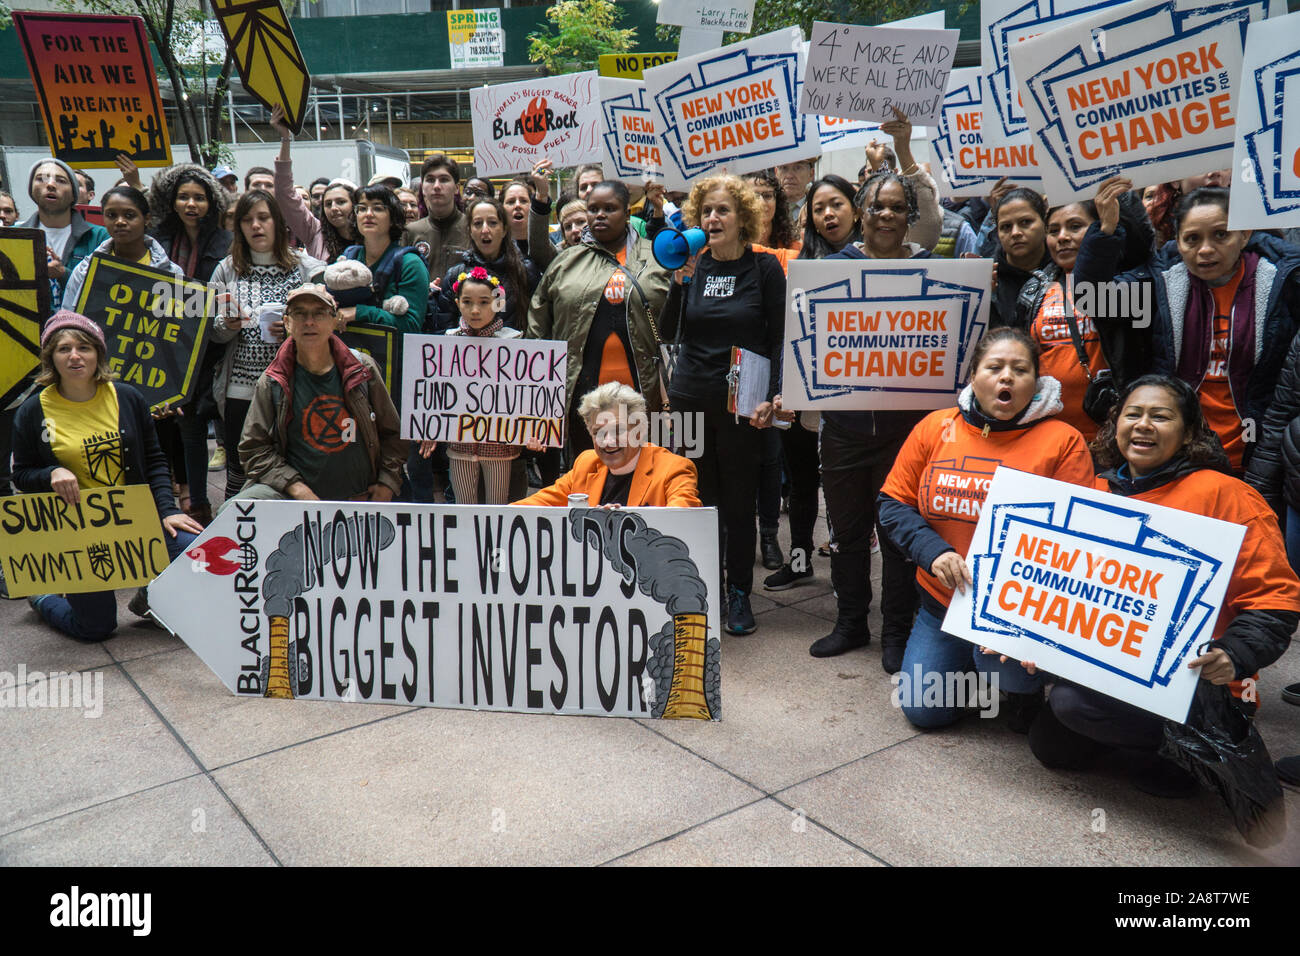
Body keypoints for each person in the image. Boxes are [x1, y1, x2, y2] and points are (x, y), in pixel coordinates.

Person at [1031, 374, 1300, 797]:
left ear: (1190, 433)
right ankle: (1149, 742)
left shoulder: (1228, 496)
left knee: (1154, 775)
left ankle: (1199, 745)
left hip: (1200, 684)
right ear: (1114, 424)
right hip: (1117, 666)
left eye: (1161, 417)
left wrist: (1235, 653)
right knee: (1052, 747)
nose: (1143, 425)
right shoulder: (1097, 490)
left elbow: (1276, 597)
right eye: (1132, 414)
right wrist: (1028, 634)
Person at [877, 328, 1096, 728]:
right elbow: (892, 504)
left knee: (1001, 670)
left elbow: (1079, 536)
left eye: (1020, 369)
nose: (1006, 377)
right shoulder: (934, 427)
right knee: (923, 710)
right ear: (973, 376)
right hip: (943, 600)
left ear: (1038, 381)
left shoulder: (1063, 440)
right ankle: (981, 678)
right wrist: (933, 551)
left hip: (1019, 611)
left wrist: (1028, 622)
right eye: (994, 367)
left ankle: (1020, 688)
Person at [796, 168, 936, 665]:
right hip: (845, 429)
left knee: (898, 534)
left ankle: (896, 632)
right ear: (862, 212)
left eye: (897, 207)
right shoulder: (832, 268)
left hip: (906, 433)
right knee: (847, 534)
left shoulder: (935, 269)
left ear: (909, 215)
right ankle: (852, 622)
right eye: (877, 206)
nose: (886, 215)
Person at [1075, 186, 1300, 474]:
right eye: (1192, 239)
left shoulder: (1282, 284)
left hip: (1257, 455)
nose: (1205, 249)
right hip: (1175, 457)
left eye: (1221, 234)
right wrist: (1106, 232)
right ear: (1177, 243)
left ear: (1244, 235)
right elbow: (1092, 301)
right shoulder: (1161, 286)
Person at [12, 312, 204, 640]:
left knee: (201, 554)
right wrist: (51, 473)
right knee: (96, 628)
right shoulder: (33, 411)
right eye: (64, 349)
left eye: (84, 347)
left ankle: (151, 597)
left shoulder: (127, 397)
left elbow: (156, 460)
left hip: (137, 521)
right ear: (51, 358)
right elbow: (21, 475)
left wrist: (167, 510)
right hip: (79, 531)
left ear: (98, 353)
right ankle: (43, 598)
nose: (75, 356)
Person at [659, 174, 785, 636]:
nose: (714, 218)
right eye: (707, 211)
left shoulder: (764, 268)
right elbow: (669, 331)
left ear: (742, 218)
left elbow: (777, 339)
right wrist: (679, 282)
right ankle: (702, 585)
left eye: (724, 210)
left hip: (742, 404)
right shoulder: (692, 265)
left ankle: (738, 593)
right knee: (695, 496)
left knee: (737, 500)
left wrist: (775, 395)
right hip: (689, 398)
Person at [528, 180, 670, 462]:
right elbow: (538, 329)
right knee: (588, 475)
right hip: (583, 402)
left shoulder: (658, 257)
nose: (600, 215)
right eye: (593, 209)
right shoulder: (565, 262)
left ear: (628, 214)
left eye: (610, 208)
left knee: (646, 475)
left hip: (648, 399)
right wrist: (536, 401)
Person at [233, 285, 405, 504]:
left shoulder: (363, 369)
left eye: (319, 313)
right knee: (234, 511)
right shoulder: (273, 381)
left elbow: (393, 435)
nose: (309, 322)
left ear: (335, 321)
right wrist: (295, 488)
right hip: (294, 501)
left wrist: (387, 483)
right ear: (287, 323)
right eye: (300, 313)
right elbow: (253, 448)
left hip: (360, 498)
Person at [209, 189, 326, 503]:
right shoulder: (226, 268)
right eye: (247, 220)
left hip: (293, 385)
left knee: (292, 470)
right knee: (239, 470)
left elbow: (328, 320)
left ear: (278, 222)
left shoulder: (306, 267)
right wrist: (226, 326)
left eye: (263, 218)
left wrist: (294, 330)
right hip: (240, 389)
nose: (255, 226)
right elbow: (209, 331)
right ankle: (236, 535)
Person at [147, 165, 234, 526]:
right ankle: (197, 504)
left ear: (211, 202)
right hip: (173, 349)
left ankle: (234, 504)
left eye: (199, 197)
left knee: (228, 429)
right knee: (189, 428)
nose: (191, 203)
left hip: (217, 346)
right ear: (172, 200)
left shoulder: (227, 242)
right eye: (184, 196)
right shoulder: (157, 239)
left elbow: (228, 292)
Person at [418, 268, 522, 504]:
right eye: (467, 302)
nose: (475, 310)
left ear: (497, 303)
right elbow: (438, 391)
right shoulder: (448, 341)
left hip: (499, 446)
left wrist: (534, 429)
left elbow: (522, 397)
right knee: (463, 507)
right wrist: (430, 425)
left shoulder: (514, 343)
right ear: (457, 303)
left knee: (497, 507)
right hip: (460, 444)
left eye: (484, 302)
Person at [515, 383, 700, 508]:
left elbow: (681, 519)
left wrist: (625, 521)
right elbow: (536, 505)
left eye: (618, 431)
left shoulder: (674, 469)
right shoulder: (586, 464)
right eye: (598, 432)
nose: (608, 442)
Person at [431, 196, 535, 332]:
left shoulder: (525, 270)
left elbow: (537, 325)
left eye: (492, 223)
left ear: (504, 229)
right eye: (478, 223)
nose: (485, 230)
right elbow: (443, 329)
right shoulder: (455, 275)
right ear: (470, 231)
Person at [18, 158, 109, 310]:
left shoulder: (100, 237)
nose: (50, 185)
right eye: (40, 179)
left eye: (60, 180)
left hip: (82, 330)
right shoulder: (13, 238)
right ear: (31, 190)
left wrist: (63, 274)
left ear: (74, 195)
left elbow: (108, 293)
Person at [336, 184, 428, 333]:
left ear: (392, 218)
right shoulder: (348, 257)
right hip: (349, 350)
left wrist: (359, 313)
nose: (368, 214)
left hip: (394, 354)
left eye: (378, 208)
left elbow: (411, 325)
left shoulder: (410, 263)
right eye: (362, 208)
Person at [985, 185, 1052, 327]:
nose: (1015, 232)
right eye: (1006, 227)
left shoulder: (1067, 270)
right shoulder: (988, 279)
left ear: (1045, 223)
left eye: (1025, 222)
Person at [403, 153, 471, 281]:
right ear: (422, 188)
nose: (436, 186)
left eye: (444, 179)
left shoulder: (472, 227)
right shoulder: (411, 231)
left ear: (457, 188)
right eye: (430, 180)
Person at [499, 168, 556, 272]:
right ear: (501, 208)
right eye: (511, 202)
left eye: (524, 201)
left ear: (532, 205)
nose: (517, 205)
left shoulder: (547, 245)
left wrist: (542, 194)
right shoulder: (495, 247)